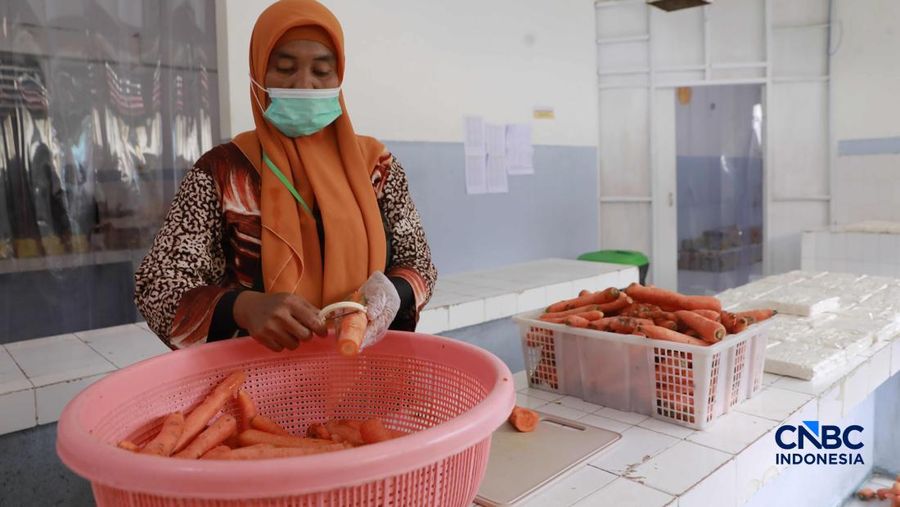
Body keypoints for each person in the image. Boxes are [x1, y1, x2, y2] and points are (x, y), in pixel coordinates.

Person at [135, 0, 436, 352]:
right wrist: (244, 308)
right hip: (253, 382)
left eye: (322, 71)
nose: (304, 85)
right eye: (284, 68)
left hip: (365, 368)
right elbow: (158, 286)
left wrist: (390, 294)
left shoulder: (377, 168)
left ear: (339, 79)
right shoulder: (223, 173)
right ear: (258, 74)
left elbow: (419, 264)